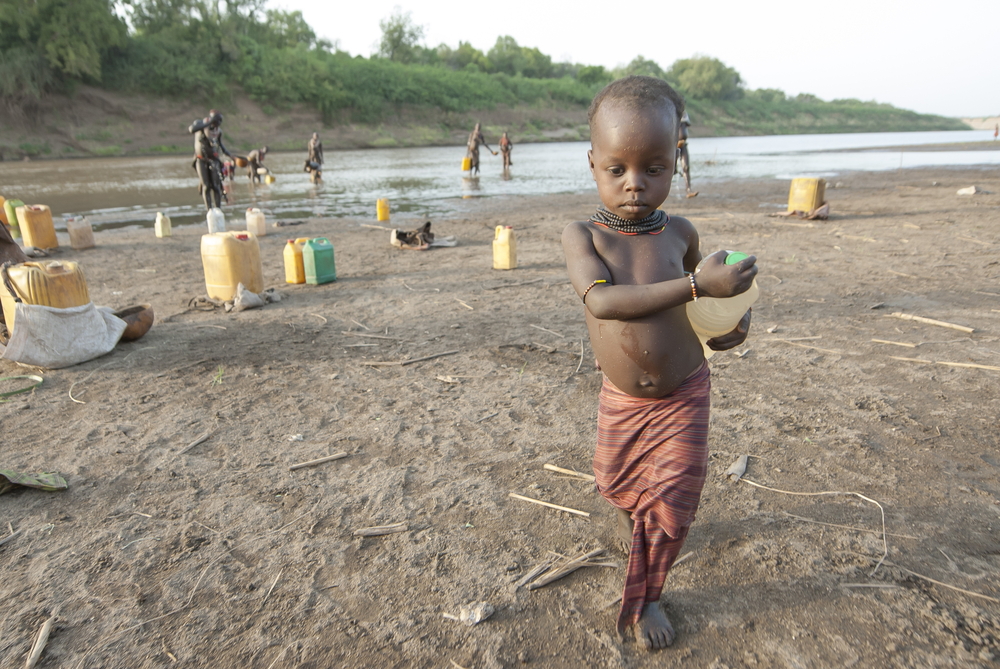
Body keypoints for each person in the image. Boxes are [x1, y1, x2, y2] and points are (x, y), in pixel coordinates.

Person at [561, 76, 756, 651]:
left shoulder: (681, 233)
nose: (635, 185)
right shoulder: (584, 236)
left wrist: (729, 327)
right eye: (616, 169)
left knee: (674, 502)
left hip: (684, 391)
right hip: (622, 398)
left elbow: (704, 311)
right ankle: (635, 521)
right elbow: (602, 301)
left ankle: (648, 595)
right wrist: (696, 285)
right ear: (592, 162)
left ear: (676, 162)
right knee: (614, 483)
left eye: (654, 168)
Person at [188, 110, 232, 210]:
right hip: (201, 159)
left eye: (220, 121)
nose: (218, 123)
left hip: (214, 159)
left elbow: (220, 145)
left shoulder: (218, 131)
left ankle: (218, 210)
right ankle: (209, 211)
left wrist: (229, 154)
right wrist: (209, 122)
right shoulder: (201, 124)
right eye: (217, 120)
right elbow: (191, 129)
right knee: (206, 186)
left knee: (216, 186)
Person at [676, 112, 698, 197]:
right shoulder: (672, 112)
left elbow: (688, 124)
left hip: (683, 144)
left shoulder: (684, 114)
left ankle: (688, 190)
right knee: (670, 168)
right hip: (674, 144)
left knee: (686, 167)